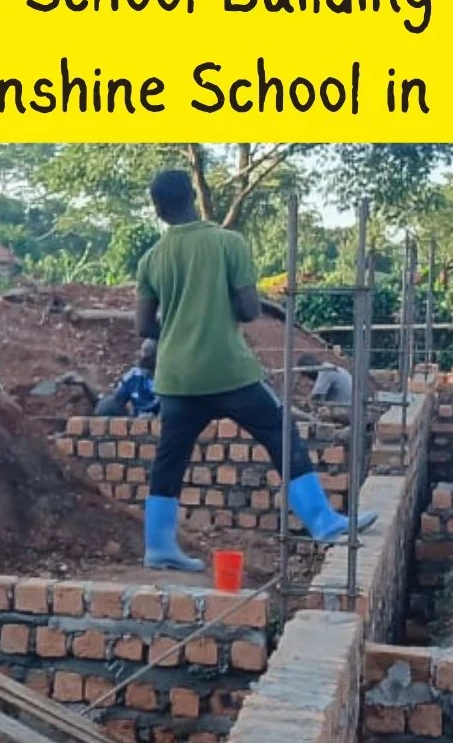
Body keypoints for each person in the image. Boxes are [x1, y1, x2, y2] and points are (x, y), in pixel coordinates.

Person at [135, 169, 376, 571]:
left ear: (158, 209)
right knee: (280, 433)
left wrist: (178, 329)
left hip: (176, 378)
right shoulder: (228, 243)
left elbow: (144, 326)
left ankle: (158, 546)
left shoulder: (151, 259)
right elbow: (248, 310)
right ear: (193, 196)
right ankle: (322, 520)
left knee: (169, 458)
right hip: (228, 371)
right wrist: (214, 313)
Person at [95, 338, 160, 416]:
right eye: (143, 354)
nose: (143, 359)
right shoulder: (134, 375)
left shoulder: (169, 377)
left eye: (149, 357)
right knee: (106, 406)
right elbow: (117, 399)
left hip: (165, 420)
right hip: (138, 421)